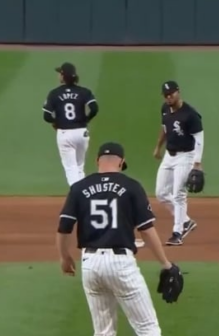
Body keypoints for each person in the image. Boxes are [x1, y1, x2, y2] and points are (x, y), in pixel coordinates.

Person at [56, 142, 177, 336]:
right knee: (148, 328)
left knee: (103, 332)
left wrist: (64, 257)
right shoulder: (131, 186)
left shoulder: (79, 188)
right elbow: (146, 230)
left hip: (90, 264)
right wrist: (165, 263)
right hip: (121, 264)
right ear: (121, 163)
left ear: (97, 161)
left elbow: (63, 227)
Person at [153, 80, 204, 246]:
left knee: (178, 195)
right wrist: (158, 147)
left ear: (178, 92)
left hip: (186, 157)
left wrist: (197, 162)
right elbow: (165, 128)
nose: (168, 97)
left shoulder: (190, 115)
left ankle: (177, 232)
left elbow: (199, 139)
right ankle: (186, 221)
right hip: (169, 155)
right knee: (161, 193)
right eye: (166, 95)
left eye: (171, 94)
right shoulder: (165, 109)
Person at [43, 62, 99, 186]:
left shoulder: (54, 93)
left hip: (64, 133)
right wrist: (86, 119)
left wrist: (56, 122)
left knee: (71, 168)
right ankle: (85, 195)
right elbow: (94, 108)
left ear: (63, 76)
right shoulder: (84, 92)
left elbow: (46, 116)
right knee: (79, 167)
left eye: (59, 73)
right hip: (81, 132)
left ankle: (77, 196)